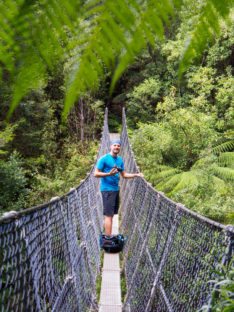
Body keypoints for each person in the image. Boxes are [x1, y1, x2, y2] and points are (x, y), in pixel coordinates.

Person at [94, 139, 143, 236]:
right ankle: (108, 238)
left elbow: (124, 175)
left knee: (112, 214)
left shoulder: (120, 160)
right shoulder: (104, 159)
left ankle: (110, 236)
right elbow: (96, 174)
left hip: (116, 190)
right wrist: (108, 174)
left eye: (118, 146)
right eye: (114, 145)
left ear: (120, 148)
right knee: (109, 215)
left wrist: (136, 175)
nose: (116, 147)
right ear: (110, 146)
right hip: (107, 190)